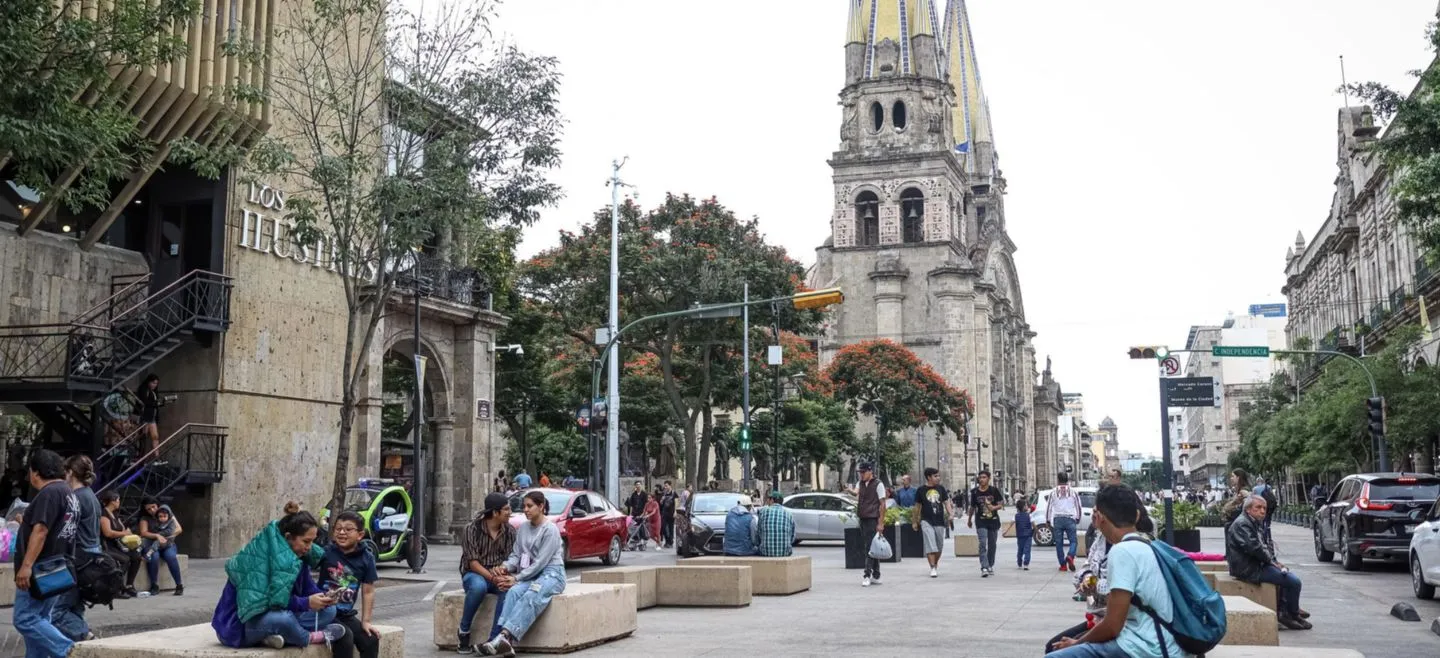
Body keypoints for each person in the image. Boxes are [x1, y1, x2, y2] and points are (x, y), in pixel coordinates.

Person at [1046, 484, 1187, 658]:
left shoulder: (1121, 551)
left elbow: (1112, 626)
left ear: (1101, 518)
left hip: (1146, 648)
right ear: (1136, 516)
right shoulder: (1150, 544)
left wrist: (1076, 643)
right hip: (1162, 641)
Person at [212, 501, 349, 652]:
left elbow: (308, 589)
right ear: (289, 537)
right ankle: (311, 637)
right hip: (239, 627)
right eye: (306, 541)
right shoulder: (258, 558)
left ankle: (274, 636)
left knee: (330, 611)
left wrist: (324, 598)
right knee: (283, 620)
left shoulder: (297, 556)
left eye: (312, 541)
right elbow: (273, 602)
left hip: (272, 616)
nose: (309, 547)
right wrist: (307, 603)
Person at [478, 491, 568, 656]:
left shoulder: (550, 530)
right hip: (530, 573)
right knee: (513, 591)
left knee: (532, 594)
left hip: (552, 574)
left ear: (541, 507)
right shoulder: (524, 528)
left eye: (529, 506)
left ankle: (503, 636)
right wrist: (504, 567)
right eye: (524, 506)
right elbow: (516, 555)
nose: (525, 509)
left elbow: (541, 563)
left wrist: (515, 578)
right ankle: (506, 642)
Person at [11, 449, 79, 658]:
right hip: (56, 568)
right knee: (41, 618)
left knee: (25, 619)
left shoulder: (48, 494)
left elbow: (41, 531)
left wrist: (26, 566)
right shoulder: (67, 493)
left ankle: (68, 650)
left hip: (40, 570)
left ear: (35, 472)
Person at [1228, 494, 1309, 630]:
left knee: (1284, 574)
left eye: (1264, 508)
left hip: (1257, 564)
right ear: (1248, 509)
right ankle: (1293, 613)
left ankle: (1285, 612)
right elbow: (1255, 548)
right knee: (1294, 582)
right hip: (1248, 568)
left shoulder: (1254, 522)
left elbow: (1265, 547)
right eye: (1258, 507)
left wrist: (1275, 562)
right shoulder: (1243, 524)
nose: (1262, 511)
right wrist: (1272, 563)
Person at [319, 511, 382, 658]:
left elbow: (368, 591)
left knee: (370, 639)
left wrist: (366, 621)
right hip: (325, 613)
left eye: (348, 529)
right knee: (345, 638)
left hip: (345, 615)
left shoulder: (367, 558)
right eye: (338, 528)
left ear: (360, 535)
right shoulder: (327, 552)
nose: (342, 532)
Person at [458, 493, 515, 654]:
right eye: (506, 509)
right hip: (474, 573)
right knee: (478, 587)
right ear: (495, 512)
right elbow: (472, 563)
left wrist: (504, 574)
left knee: (508, 589)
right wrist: (492, 577)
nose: (509, 512)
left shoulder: (510, 531)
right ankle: (463, 631)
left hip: (497, 574)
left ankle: (494, 640)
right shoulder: (472, 529)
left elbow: (511, 558)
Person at [54, 455, 102, 641]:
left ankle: (86, 637)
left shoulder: (76, 498)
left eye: (65, 472)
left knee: (57, 611)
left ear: (71, 473)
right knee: (74, 607)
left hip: (76, 560)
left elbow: (65, 530)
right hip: (89, 558)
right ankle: (78, 645)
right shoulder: (91, 496)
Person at [847, 462, 886, 587]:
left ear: (870, 471)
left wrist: (880, 523)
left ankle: (867, 574)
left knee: (869, 547)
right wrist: (849, 490)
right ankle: (877, 574)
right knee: (870, 546)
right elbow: (855, 493)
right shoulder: (861, 483)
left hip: (872, 518)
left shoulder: (878, 484)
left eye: (863, 472)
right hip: (863, 517)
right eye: (860, 472)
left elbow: (883, 505)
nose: (861, 475)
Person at [98, 490, 142, 598]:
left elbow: (122, 529)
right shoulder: (104, 514)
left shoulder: (115, 514)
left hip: (118, 544)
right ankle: (115, 588)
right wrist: (124, 533)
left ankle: (129, 585)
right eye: (118, 500)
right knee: (125, 559)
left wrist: (128, 533)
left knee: (136, 556)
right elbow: (108, 533)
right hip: (107, 545)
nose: (119, 502)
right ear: (112, 501)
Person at [138, 499, 184, 595]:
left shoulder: (166, 513)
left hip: (167, 544)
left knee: (171, 557)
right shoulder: (145, 518)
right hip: (152, 544)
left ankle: (179, 585)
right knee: (153, 557)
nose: (152, 510)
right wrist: (157, 536)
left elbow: (179, 529)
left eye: (153, 507)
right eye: (149, 509)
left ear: (157, 505)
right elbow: (143, 533)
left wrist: (165, 535)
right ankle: (154, 585)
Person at [912, 467, 950, 578]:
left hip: (939, 521)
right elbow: (917, 507)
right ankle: (932, 567)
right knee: (930, 545)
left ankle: (935, 563)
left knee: (939, 546)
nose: (938, 478)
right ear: (929, 477)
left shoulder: (941, 489)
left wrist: (950, 514)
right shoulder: (921, 490)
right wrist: (915, 521)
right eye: (935, 476)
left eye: (938, 476)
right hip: (926, 520)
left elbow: (946, 502)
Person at [967, 470, 1004, 577]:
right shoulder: (975, 492)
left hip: (993, 521)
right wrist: (969, 519)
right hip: (981, 521)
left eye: (984, 477)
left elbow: (1001, 504)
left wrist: (993, 507)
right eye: (980, 477)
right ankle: (984, 566)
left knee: (992, 544)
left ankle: (990, 564)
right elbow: (972, 507)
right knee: (982, 543)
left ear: (988, 478)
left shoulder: (994, 490)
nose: (981, 479)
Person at [1049, 472, 1084, 572]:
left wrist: (1048, 520)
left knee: (1059, 543)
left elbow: (1049, 507)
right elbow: (1078, 506)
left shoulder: (1053, 492)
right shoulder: (1073, 492)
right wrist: (1078, 517)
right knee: (1073, 541)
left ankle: (1063, 565)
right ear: (1067, 480)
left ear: (1058, 480)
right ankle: (1070, 555)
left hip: (1058, 519)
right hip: (1070, 519)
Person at [754, 491, 795, 557]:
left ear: (772, 500)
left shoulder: (763, 512)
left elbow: (759, 533)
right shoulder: (789, 514)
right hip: (785, 552)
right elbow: (792, 537)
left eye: (768, 499)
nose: (767, 501)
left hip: (765, 552)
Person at [137, 374, 164, 454]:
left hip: (152, 417)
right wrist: (156, 403)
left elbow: (154, 404)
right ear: (149, 382)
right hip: (145, 417)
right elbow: (144, 402)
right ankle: (141, 456)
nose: (154, 385)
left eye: (156, 384)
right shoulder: (144, 389)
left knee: (155, 437)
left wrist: (159, 403)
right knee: (143, 437)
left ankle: (157, 456)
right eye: (153, 383)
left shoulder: (153, 392)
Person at [1015, 497, 1034, 570]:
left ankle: (1019, 563)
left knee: (1020, 549)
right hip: (1028, 535)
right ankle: (1026, 564)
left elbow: (1011, 524)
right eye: (1026, 505)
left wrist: (1006, 531)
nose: (1027, 507)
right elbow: (1033, 524)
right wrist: (1037, 531)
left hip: (1019, 535)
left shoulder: (1016, 516)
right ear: (1023, 507)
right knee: (1027, 550)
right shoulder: (1029, 515)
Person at [658, 481, 677, 549]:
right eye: (665, 486)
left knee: (671, 528)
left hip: (671, 513)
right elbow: (661, 503)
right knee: (663, 527)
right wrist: (662, 500)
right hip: (664, 512)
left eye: (666, 485)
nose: (665, 487)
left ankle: (670, 542)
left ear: (670, 485)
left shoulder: (674, 493)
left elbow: (676, 503)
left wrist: (675, 512)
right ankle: (667, 540)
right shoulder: (664, 494)